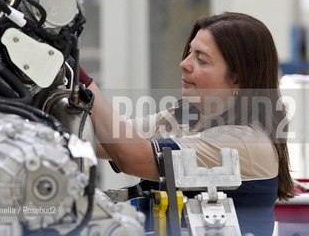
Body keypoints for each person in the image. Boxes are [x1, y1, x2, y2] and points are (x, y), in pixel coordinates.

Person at [80, 12, 295, 236]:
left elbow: (133, 156)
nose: (184, 64)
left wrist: (81, 80)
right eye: (190, 53)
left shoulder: (246, 142)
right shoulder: (189, 115)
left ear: (237, 79)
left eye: (201, 59)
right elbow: (102, 138)